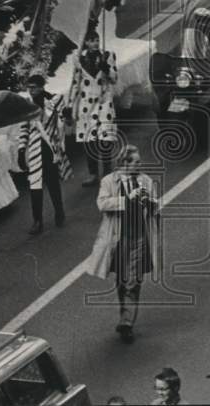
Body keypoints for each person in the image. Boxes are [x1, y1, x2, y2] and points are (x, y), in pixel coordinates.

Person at [85, 145, 160, 344]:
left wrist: (150, 202)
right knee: (121, 281)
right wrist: (126, 200)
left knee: (133, 282)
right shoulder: (109, 181)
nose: (140, 165)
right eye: (136, 162)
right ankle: (124, 317)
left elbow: (156, 208)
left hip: (139, 237)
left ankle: (127, 322)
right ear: (124, 164)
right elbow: (102, 204)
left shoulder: (146, 181)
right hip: (118, 239)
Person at [16, 74, 71, 234]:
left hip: (51, 146)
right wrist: (21, 150)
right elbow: (24, 128)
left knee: (53, 182)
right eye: (29, 87)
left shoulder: (55, 100)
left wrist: (67, 116)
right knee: (35, 185)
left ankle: (59, 212)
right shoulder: (27, 105)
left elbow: (64, 122)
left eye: (33, 87)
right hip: (34, 148)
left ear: (41, 87)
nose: (30, 90)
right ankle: (37, 221)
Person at [68, 32, 119, 187]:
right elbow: (75, 84)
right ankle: (93, 173)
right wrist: (70, 106)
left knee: (105, 138)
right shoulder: (78, 59)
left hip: (104, 101)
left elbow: (115, 78)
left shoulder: (108, 55)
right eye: (91, 40)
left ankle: (108, 171)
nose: (95, 43)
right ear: (86, 43)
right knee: (89, 140)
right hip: (86, 104)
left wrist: (106, 69)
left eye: (97, 40)